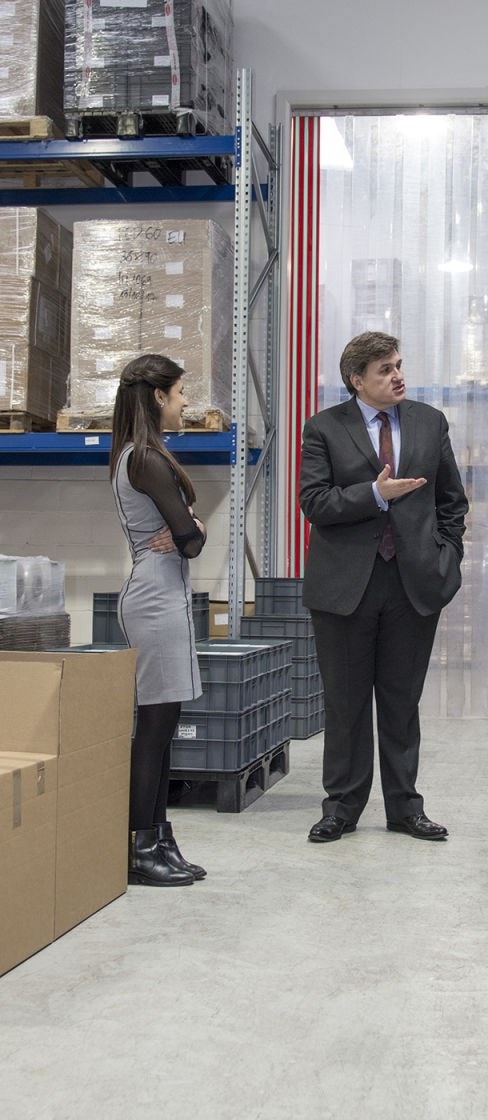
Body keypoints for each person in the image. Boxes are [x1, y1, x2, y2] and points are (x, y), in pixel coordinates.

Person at [299, 331, 468, 843]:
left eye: (398, 365)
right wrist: (373, 494)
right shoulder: (324, 428)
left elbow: (451, 502)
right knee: (345, 703)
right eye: (384, 370)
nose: (398, 376)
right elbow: (315, 503)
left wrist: (447, 556)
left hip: (412, 582)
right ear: (357, 380)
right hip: (345, 585)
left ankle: (405, 809)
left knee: (401, 701)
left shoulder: (428, 422)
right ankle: (342, 808)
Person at [110, 353, 208, 886]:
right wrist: (193, 524)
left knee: (163, 724)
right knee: (153, 724)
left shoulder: (145, 454)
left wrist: (189, 526)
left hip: (161, 589)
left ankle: (159, 838)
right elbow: (189, 540)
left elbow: (187, 534)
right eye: (179, 393)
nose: (186, 402)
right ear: (157, 398)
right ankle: (138, 848)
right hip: (153, 593)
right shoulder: (144, 457)